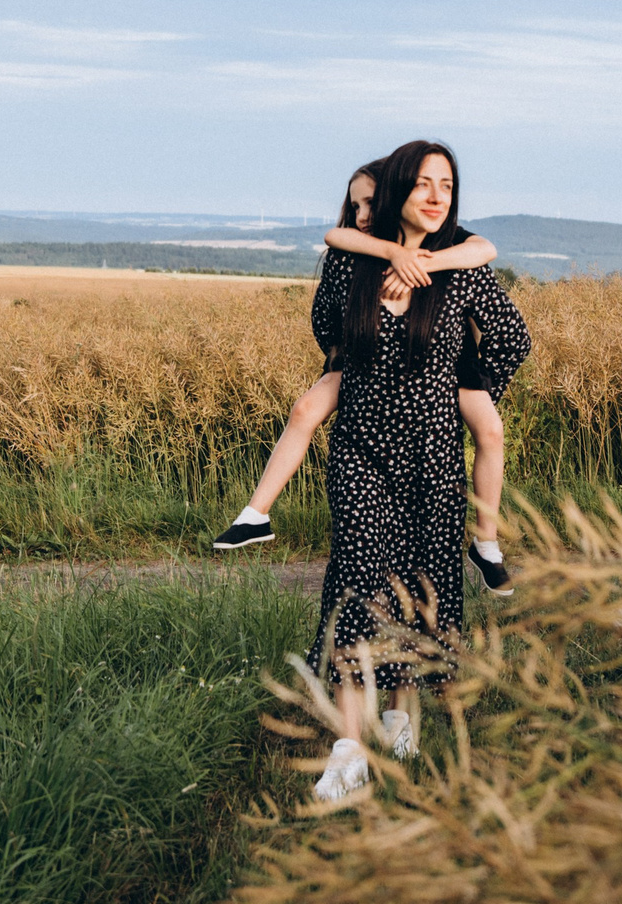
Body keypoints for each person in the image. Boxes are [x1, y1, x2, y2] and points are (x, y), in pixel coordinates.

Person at [304, 140, 530, 804]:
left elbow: (513, 339)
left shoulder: (460, 271)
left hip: (434, 460)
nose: (437, 195)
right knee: (358, 577)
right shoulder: (352, 266)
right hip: (362, 450)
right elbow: (327, 331)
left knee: (419, 586)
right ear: (400, 188)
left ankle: (402, 716)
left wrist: (466, 386)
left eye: (448, 185)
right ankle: (348, 751)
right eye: (424, 183)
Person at [212, 163, 513, 592]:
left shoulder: (444, 239)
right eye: (355, 205)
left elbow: (484, 249)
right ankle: (256, 514)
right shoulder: (357, 252)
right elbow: (335, 238)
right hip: (364, 361)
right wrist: (391, 255)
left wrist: (427, 259)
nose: (363, 214)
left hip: (451, 367)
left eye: (371, 202)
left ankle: (487, 543)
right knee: (304, 409)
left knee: (491, 430)